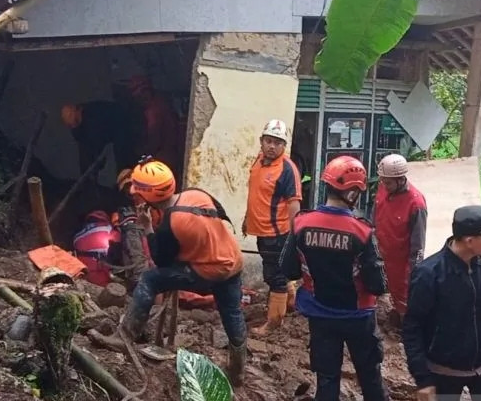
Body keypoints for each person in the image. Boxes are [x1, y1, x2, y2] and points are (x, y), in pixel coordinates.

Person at [114, 157, 247, 386]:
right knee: (232, 313)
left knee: (150, 279)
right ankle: (237, 371)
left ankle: (125, 336)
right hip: (233, 261)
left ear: (149, 196)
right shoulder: (196, 194)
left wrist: (148, 228)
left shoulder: (172, 224)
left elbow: (161, 261)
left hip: (208, 270)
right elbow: (221, 214)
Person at [279, 155, 389, 401]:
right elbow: (378, 285)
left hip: (320, 315)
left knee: (327, 379)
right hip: (358, 317)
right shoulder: (362, 231)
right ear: (352, 193)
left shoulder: (301, 223)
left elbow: (288, 269)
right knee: (370, 377)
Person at [402, 205, 481, 401]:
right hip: (443, 372)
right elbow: (413, 327)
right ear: (469, 241)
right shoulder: (429, 274)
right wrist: (423, 379)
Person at [242, 119, 302, 336]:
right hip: (261, 231)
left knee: (274, 277)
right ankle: (291, 300)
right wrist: (247, 219)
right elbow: (256, 193)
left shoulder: (287, 169)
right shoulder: (258, 161)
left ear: (284, 146)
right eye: (269, 141)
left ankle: (274, 322)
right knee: (277, 272)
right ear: (261, 141)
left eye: (278, 143)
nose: (272, 146)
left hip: (278, 234)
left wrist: (294, 236)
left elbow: (294, 204)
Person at [372, 153, 427, 325]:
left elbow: (418, 245)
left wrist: (414, 272)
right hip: (380, 253)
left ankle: (405, 326)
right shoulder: (383, 188)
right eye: (382, 181)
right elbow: (376, 215)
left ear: (401, 179)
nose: (384, 185)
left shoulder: (416, 204)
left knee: (404, 298)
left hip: (401, 263)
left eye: (388, 183)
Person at [61, 101, 143, 174]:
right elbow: (85, 146)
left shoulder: (93, 117)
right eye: (71, 126)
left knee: (124, 161)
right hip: (118, 133)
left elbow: (96, 143)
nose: (74, 126)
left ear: (77, 111)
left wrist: (96, 162)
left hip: (123, 130)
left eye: (75, 120)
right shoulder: (81, 128)